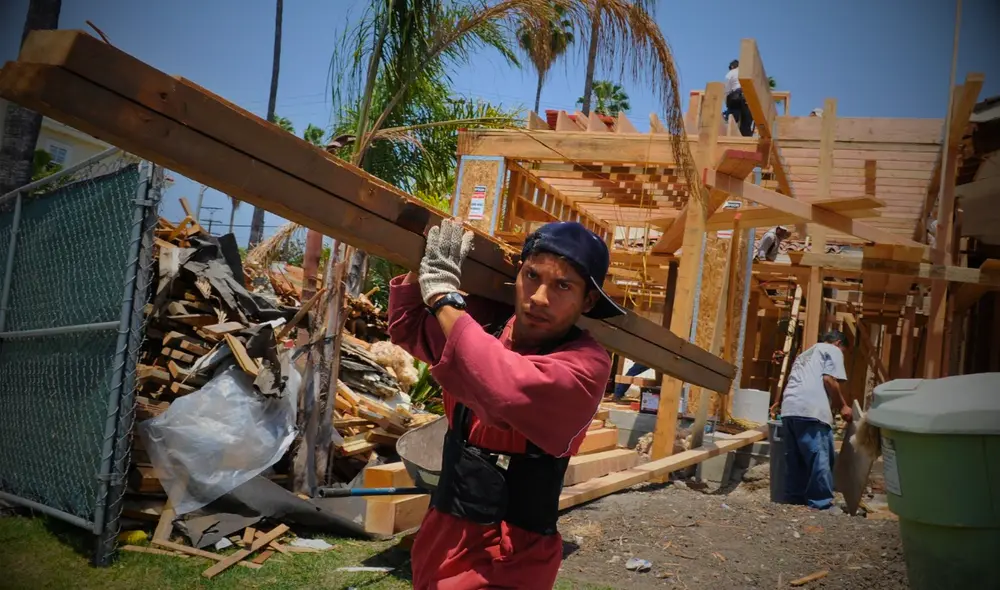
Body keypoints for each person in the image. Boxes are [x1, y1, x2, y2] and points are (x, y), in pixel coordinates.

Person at [388, 219, 624, 589]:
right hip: (442, 534)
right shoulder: (489, 326)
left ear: (588, 300)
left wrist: (444, 298)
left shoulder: (586, 365)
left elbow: (505, 389)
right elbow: (408, 325)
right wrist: (423, 265)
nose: (540, 297)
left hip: (509, 557)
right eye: (532, 276)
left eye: (562, 285)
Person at [779, 331, 852, 511]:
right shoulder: (832, 350)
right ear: (838, 343)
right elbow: (829, 379)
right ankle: (821, 503)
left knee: (795, 458)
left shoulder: (806, 354)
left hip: (789, 408)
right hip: (811, 409)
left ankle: (794, 501)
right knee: (819, 457)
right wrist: (843, 406)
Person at [724, 59, 754, 137]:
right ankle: (745, 137)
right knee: (746, 123)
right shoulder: (747, 73)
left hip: (735, 97)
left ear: (732, 66)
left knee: (732, 119)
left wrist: (727, 103)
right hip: (747, 96)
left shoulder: (730, 73)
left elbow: (727, 90)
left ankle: (731, 132)